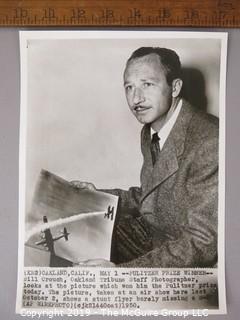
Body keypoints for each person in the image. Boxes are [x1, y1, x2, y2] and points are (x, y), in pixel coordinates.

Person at [72, 47, 218, 268]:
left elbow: (201, 243)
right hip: (151, 238)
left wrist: (123, 273)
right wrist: (96, 196)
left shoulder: (210, 140)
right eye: (129, 87)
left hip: (182, 255)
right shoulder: (152, 128)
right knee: (74, 221)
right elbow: (153, 195)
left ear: (175, 87)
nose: (136, 98)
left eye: (147, 85)